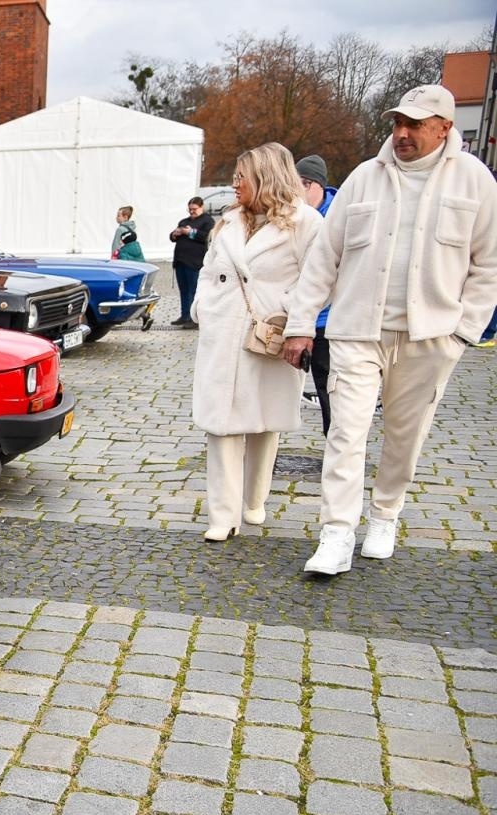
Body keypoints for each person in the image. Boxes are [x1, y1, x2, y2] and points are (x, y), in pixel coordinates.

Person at [282, 84, 497, 575]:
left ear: (445, 128)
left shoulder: (475, 182)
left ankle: (385, 514)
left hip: (430, 336)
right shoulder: (364, 179)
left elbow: (490, 265)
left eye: (415, 125)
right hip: (358, 330)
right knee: (346, 431)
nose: (402, 133)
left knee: (405, 435)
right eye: (398, 123)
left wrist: (463, 332)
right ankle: (336, 532)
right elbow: (323, 259)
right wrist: (301, 325)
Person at [192, 142, 322, 542]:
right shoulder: (228, 221)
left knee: (264, 424)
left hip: (268, 335)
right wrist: (204, 307)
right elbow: (209, 269)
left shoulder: (305, 222)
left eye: (240, 176)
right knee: (222, 425)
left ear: (264, 177)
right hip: (222, 332)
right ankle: (223, 514)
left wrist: (288, 312)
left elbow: (318, 280)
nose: (234, 184)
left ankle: (254, 500)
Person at [295, 154, 338, 433]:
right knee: (282, 389)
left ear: (312, 185)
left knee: (329, 390)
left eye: (297, 185)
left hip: (329, 322)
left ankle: (334, 446)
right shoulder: (294, 217)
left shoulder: (338, 217)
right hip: (295, 318)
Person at [169, 197, 212, 328]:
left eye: (194, 209)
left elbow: (206, 237)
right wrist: (175, 234)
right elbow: (172, 237)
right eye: (190, 209)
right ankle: (185, 315)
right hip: (181, 261)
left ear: (201, 207)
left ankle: (194, 319)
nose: (192, 212)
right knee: (183, 290)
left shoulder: (207, 221)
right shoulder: (184, 221)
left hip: (195, 262)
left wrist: (190, 232)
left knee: (194, 291)